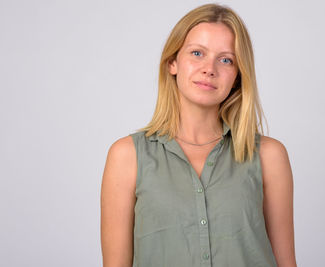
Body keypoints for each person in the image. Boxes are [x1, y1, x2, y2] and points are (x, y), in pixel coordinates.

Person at [101, 3, 296, 267]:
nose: (209, 69)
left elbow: (286, 263)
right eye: (197, 53)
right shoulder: (127, 156)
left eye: (226, 59)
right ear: (173, 62)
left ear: (238, 75)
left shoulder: (269, 156)